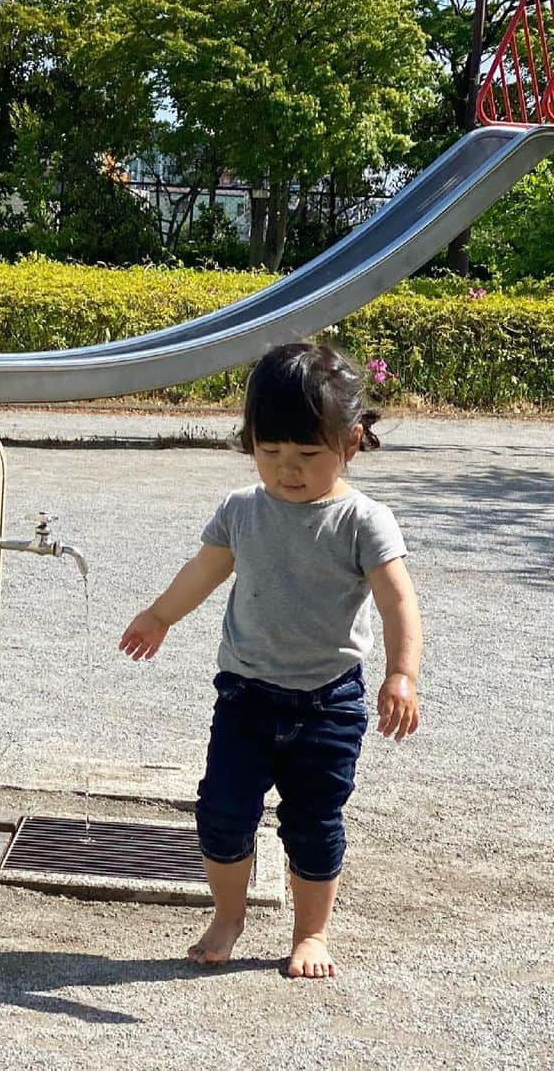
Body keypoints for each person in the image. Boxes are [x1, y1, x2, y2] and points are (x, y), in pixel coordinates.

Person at [118, 341, 422, 980]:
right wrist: (158, 616)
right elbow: (204, 572)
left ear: (352, 441)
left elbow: (399, 602)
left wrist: (402, 673)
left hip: (328, 702)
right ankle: (228, 914)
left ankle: (311, 931)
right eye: (270, 452)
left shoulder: (362, 521)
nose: (287, 469)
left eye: (307, 454)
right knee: (223, 813)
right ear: (249, 442)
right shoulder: (241, 510)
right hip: (246, 697)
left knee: (314, 822)